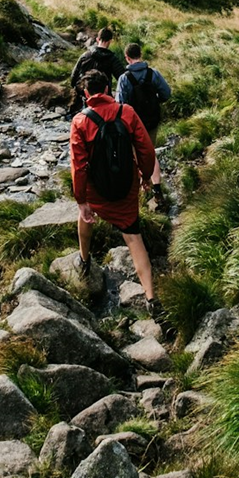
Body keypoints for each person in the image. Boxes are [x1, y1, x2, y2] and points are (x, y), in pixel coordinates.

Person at [69, 68, 166, 322]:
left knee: (86, 219)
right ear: (109, 89)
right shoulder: (128, 112)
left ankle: (84, 259)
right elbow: (146, 150)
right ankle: (151, 298)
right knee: (134, 238)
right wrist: (145, 177)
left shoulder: (80, 121)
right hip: (126, 187)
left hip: (96, 191)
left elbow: (78, 166)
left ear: (86, 93)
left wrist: (81, 201)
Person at [115, 42, 171, 148]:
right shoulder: (154, 73)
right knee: (150, 149)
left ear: (127, 57)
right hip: (152, 120)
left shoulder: (124, 79)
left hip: (134, 123)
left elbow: (120, 105)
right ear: (141, 54)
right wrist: (155, 100)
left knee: (135, 152)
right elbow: (166, 94)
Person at [70, 26, 125, 114]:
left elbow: (73, 78)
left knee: (88, 122)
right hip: (105, 97)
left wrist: (81, 92)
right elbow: (123, 78)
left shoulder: (85, 56)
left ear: (97, 39)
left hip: (88, 97)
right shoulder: (112, 59)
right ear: (110, 41)